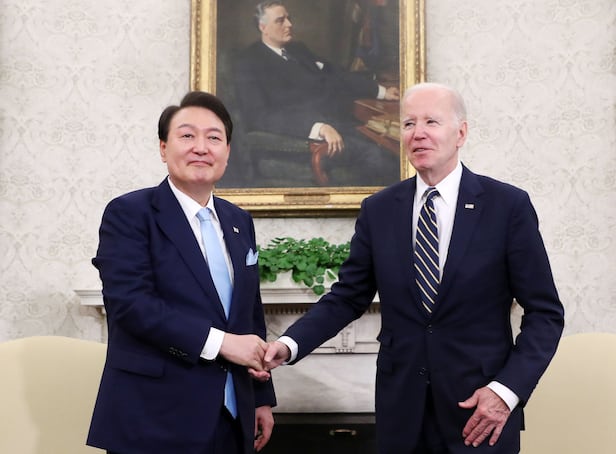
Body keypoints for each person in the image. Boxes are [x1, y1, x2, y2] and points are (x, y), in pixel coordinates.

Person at [261, 82, 565, 453]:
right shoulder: (379, 210)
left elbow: (545, 314)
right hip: (402, 414)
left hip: (481, 414)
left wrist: (505, 392)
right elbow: (347, 298)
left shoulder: (507, 206)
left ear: (461, 133)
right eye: (408, 124)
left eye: (431, 122)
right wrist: (289, 344)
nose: (418, 133)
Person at [87, 91, 276, 454]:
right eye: (187, 135)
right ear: (163, 148)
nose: (201, 147)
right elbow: (131, 305)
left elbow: (249, 316)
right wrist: (223, 344)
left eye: (214, 137)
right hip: (154, 418)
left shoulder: (239, 221)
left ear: (227, 151)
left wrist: (261, 397)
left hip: (232, 417)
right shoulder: (129, 213)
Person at [233, 1, 400, 187]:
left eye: (289, 18)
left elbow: (337, 75)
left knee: (392, 144)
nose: (289, 24)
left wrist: (381, 92)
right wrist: (318, 127)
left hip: (342, 124)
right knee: (382, 158)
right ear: (262, 27)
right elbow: (260, 116)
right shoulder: (249, 62)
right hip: (306, 140)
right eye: (280, 21)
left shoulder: (298, 50)